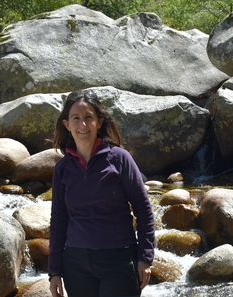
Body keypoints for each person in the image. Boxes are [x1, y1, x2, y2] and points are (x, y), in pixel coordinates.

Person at [49, 89, 155, 297]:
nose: (83, 125)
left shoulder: (119, 159)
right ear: (67, 125)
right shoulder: (62, 168)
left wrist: (145, 257)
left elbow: (143, 210)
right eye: (76, 119)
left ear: (99, 122)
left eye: (89, 118)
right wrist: (54, 271)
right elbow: (59, 220)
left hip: (119, 261)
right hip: (76, 265)